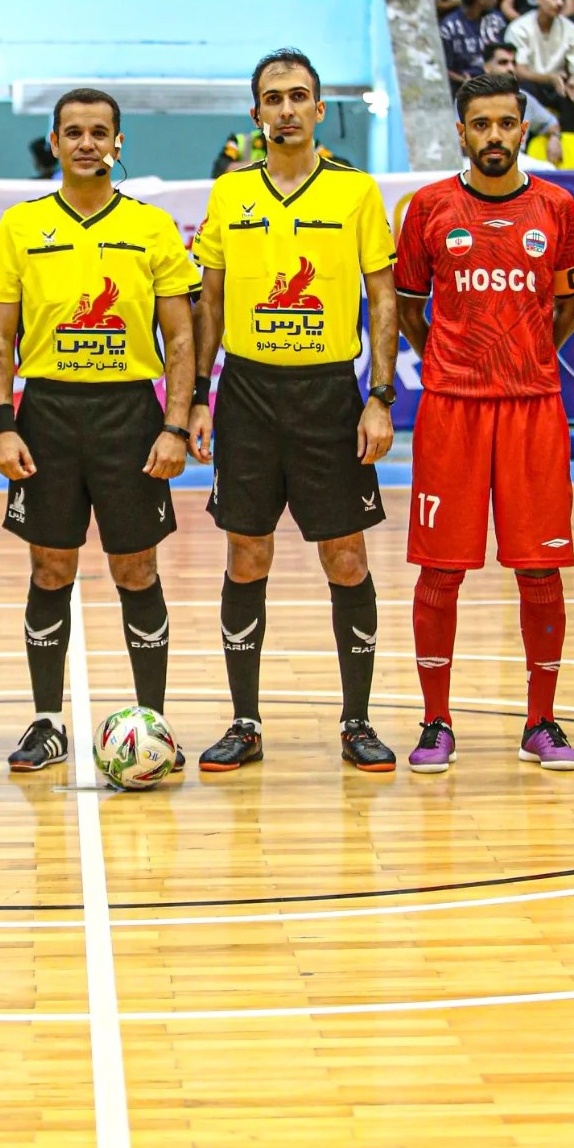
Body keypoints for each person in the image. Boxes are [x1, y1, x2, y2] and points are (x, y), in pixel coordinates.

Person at [186, 49, 397, 772]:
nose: (286, 109)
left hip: (328, 395)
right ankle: (244, 722)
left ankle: (357, 721)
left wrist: (379, 397)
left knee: (346, 557)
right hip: (247, 394)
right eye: (273, 99)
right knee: (247, 555)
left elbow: (384, 298)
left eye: (298, 96)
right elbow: (211, 301)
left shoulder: (356, 192)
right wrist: (199, 395)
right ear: (256, 114)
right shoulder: (228, 194)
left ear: (318, 109)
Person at [0, 87, 197, 771]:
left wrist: (174, 426)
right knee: (51, 566)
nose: (86, 143)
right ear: (54, 143)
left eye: (99, 132)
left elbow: (182, 337)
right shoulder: (20, 226)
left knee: (137, 568)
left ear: (117, 143)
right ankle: (47, 722)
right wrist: (2, 423)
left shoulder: (152, 227)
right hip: (47, 412)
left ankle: (154, 723)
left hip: (130, 414)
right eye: (73, 132)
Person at [396, 72, 574, 773]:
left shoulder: (557, 208)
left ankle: (542, 722)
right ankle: (435, 722)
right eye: (481, 125)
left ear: (523, 129)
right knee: (440, 568)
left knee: (539, 566)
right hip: (452, 408)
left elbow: (567, 307)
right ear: (462, 132)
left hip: (533, 406)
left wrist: (524, 356)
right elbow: (410, 307)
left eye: (506, 123)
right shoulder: (429, 207)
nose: (495, 136)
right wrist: (452, 359)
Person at [509, 0, 574, 133]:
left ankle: (570, 143)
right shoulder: (519, 28)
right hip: (530, 84)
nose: (559, 3)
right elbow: (519, 72)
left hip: (559, 85)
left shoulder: (572, 30)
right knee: (520, 93)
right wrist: (549, 78)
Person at [484, 38, 564, 164]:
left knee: (549, 170)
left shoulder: (523, 99)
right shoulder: (470, 99)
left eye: (513, 63)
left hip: (516, 161)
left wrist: (554, 138)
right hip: (480, 160)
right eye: (503, 63)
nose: (510, 68)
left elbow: (551, 122)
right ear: (487, 67)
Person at [439, 0, 505, 91]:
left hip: (496, 82)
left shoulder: (496, 20)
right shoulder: (449, 27)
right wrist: (463, 80)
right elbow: (443, 67)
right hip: (463, 86)